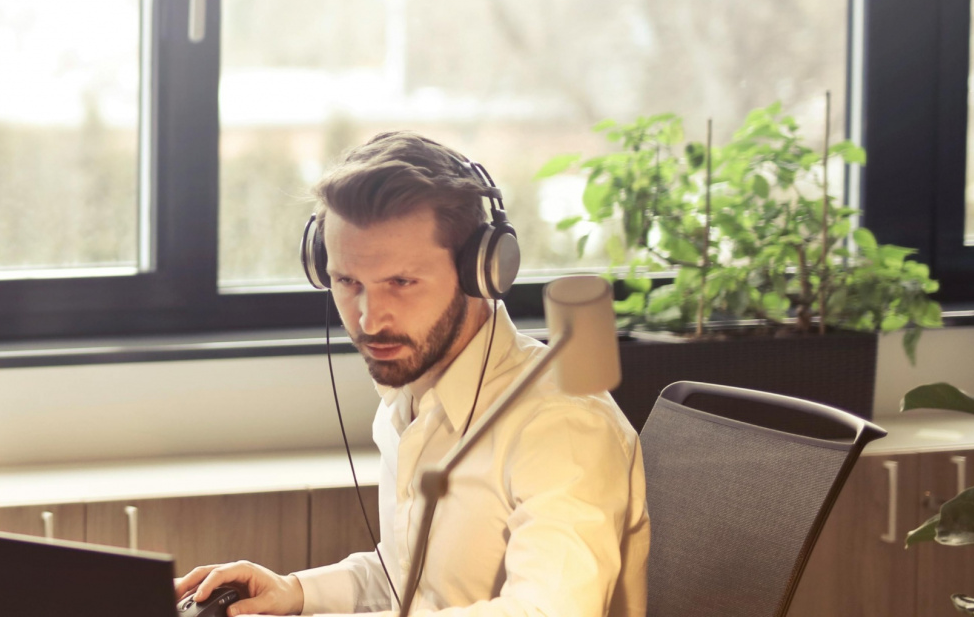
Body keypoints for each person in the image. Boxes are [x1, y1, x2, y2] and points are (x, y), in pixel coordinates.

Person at [178, 132, 648, 616]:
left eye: (401, 282)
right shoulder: (409, 399)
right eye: (347, 281)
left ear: (480, 272)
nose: (368, 318)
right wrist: (295, 592)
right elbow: (410, 581)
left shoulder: (563, 424)